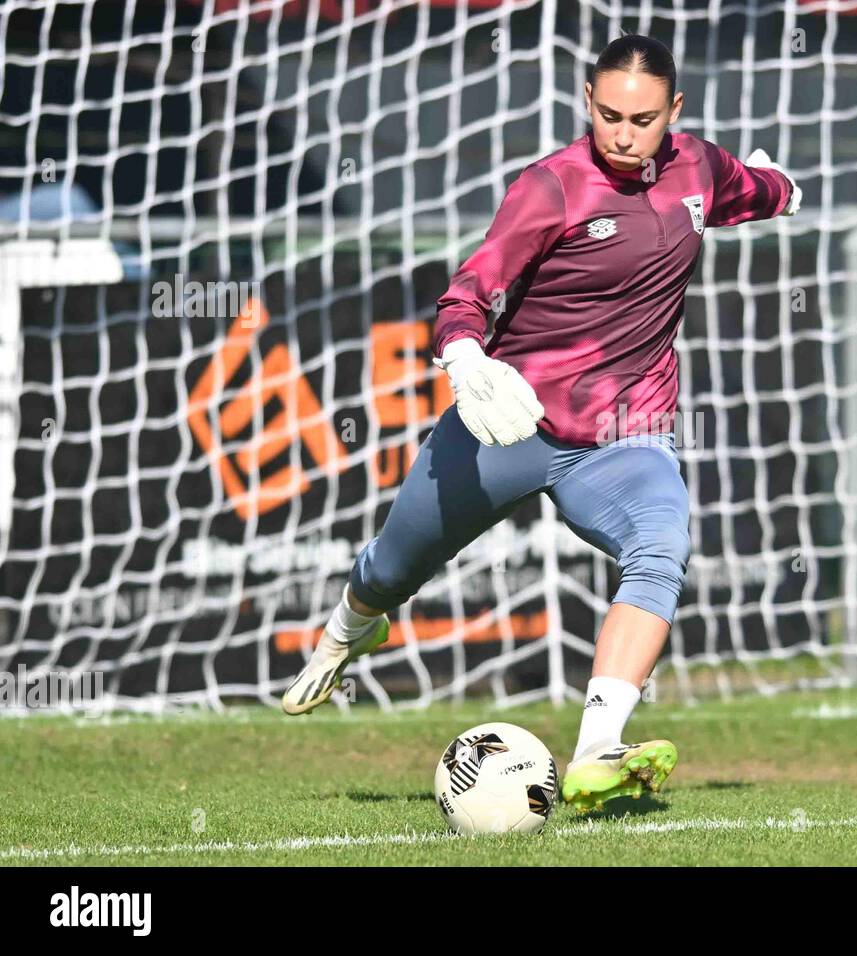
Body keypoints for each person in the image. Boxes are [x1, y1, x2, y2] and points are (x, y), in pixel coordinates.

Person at [283, 33, 800, 813]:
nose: (624, 134)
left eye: (644, 119)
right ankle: (348, 629)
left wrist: (783, 187)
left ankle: (597, 752)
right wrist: (466, 359)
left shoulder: (700, 166)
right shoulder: (552, 188)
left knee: (661, 549)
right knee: (391, 570)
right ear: (588, 101)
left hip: (624, 436)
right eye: (610, 115)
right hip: (510, 424)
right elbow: (467, 292)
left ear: (675, 111)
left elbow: (758, 190)